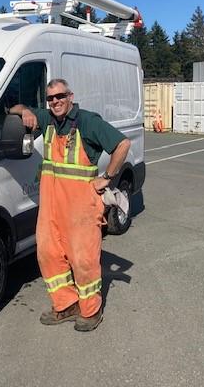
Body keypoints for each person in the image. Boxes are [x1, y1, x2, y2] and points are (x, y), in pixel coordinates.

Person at [10, 78, 131, 332]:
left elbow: (122, 144)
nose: (55, 102)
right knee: (48, 255)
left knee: (83, 260)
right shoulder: (48, 120)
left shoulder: (87, 121)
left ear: (70, 96)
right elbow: (14, 108)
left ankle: (91, 310)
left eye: (60, 96)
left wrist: (106, 177)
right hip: (52, 208)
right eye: (51, 98)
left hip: (81, 209)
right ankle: (66, 304)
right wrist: (27, 111)